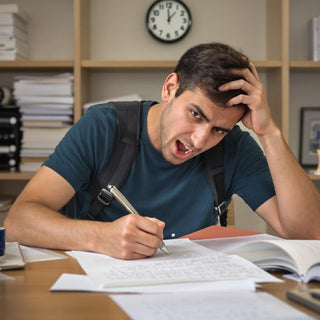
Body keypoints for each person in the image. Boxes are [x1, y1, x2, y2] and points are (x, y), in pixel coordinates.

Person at [4, 42, 320, 260]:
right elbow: (20, 220)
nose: (199, 140)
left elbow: (310, 234)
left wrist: (270, 133)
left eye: (218, 130)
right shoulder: (103, 126)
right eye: (196, 114)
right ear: (170, 88)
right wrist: (100, 238)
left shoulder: (234, 145)